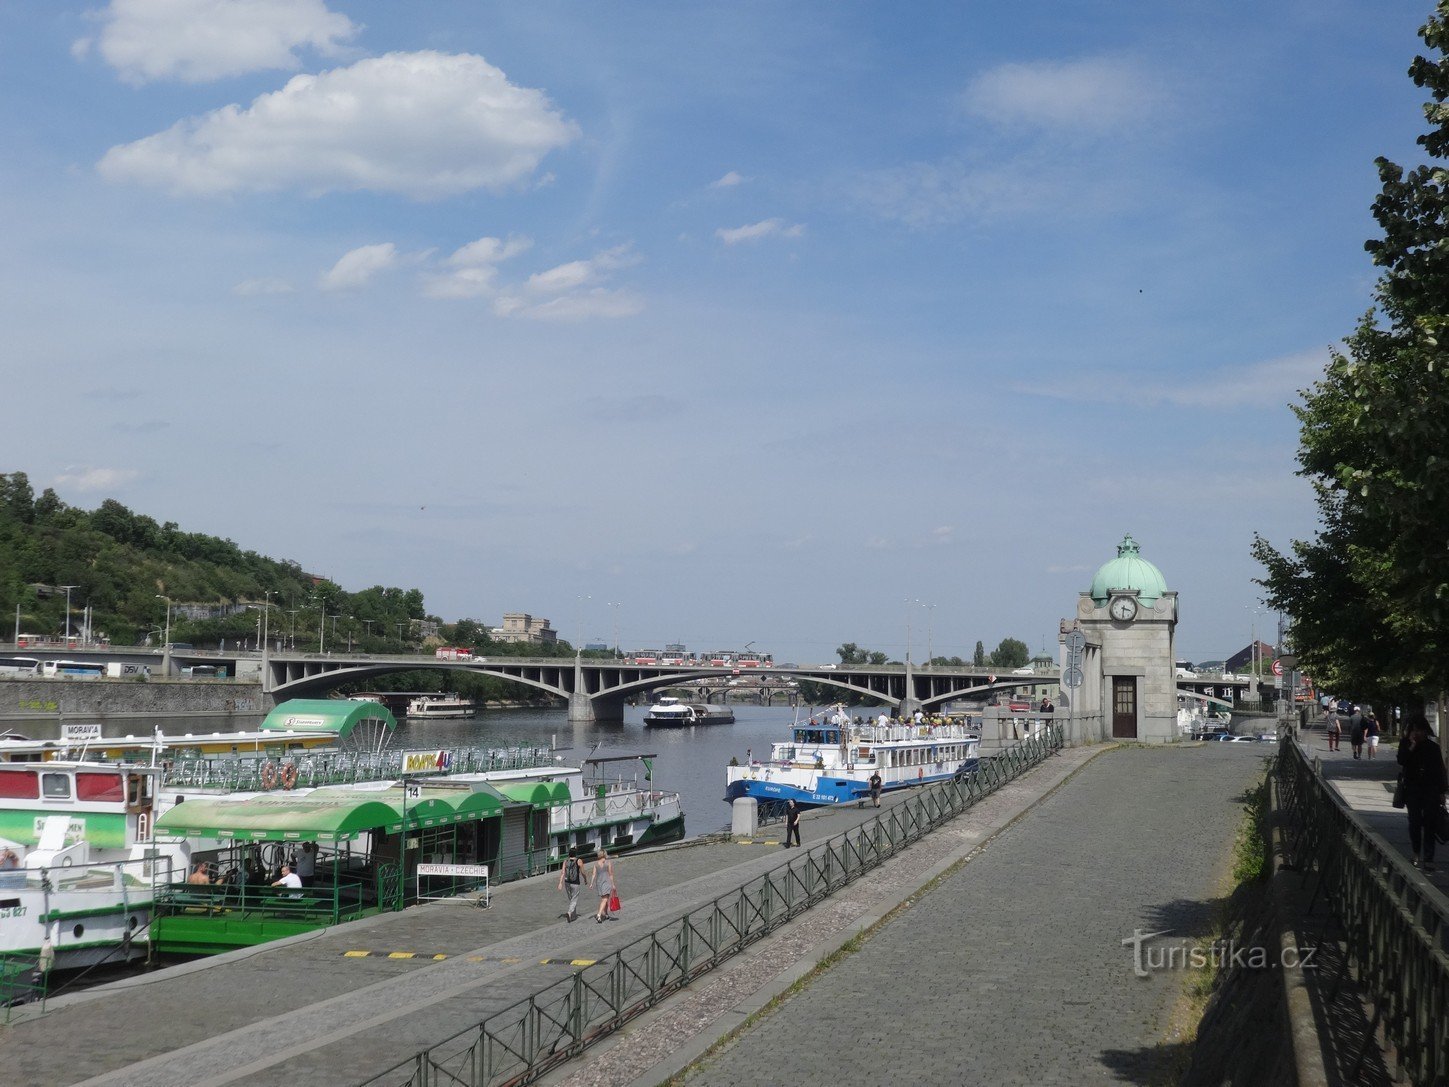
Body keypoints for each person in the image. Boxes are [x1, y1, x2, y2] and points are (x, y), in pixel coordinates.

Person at [1397, 717, 1448, 872]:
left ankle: (1429, 858)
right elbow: (1402, 761)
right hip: (1413, 788)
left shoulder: (1433, 747)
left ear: (1426, 731)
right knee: (1414, 822)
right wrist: (1411, 746)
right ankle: (1416, 853)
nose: (1416, 733)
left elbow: (1440, 770)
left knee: (1430, 823)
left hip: (1430, 789)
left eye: (1419, 730)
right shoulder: (1406, 745)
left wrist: (1442, 791)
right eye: (1413, 730)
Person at [558, 851, 588, 923]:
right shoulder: (578, 860)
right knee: (574, 899)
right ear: (575, 854)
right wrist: (585, 879)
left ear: (569, 854)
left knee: (571, 899)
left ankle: (573, 916)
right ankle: (569, 912)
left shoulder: (565, 861)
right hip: (575, 882)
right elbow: (583, 872)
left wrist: (560, 883)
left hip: (567, 882)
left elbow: (563, 872)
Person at [592, 849, 616, 923]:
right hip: (606, 882)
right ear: (605, 854)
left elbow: (593, 874)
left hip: (599, 882)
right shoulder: (608, 863)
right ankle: (599, 914)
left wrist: (591, 883)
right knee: (605, 899)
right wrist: (613, 884)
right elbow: (610, 874)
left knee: (605, 898)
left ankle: (606, 914)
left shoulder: (595, 864)